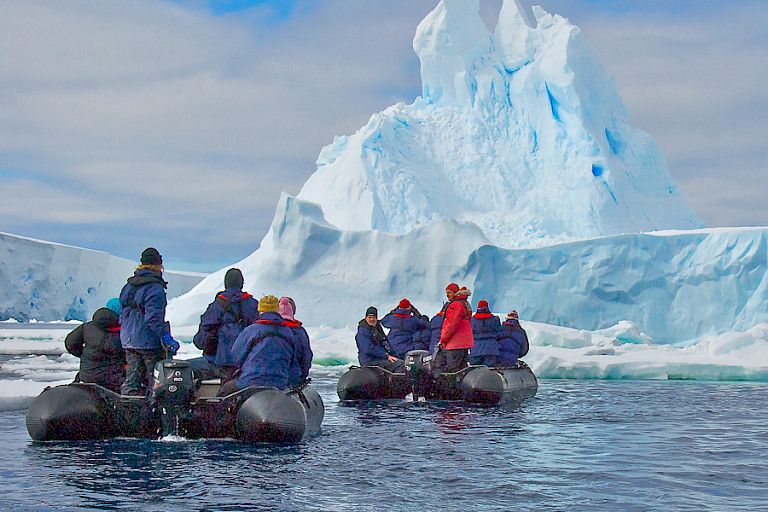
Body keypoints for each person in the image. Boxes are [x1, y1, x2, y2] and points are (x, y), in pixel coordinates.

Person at [119, 247, 179, 396]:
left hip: (128, 340)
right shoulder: (154, 288)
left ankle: (128, 410)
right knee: (155, 383)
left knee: (131, 381)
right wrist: (166, 338)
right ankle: (154, 414)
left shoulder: (128, 286)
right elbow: (153, 318)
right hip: (148, 343)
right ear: (159, 265)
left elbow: (123, 313)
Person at [191, 268, 259, 382]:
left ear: (226, 283)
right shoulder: (252, 304)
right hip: (247, 361)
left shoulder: (217, 305)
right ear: (241, 283)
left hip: (221, 360)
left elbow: (201, 337)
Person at [219, 295, 296, 396]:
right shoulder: (288, 332)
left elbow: (235, 357)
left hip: (251, 381)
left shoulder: (251, 330)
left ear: (260, 311)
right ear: (277, 311)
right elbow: (293, 362)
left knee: (226, 389)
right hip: (279, 383)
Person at [64, 298, 125, 393]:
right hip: (112, 380)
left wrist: (85, 355)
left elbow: (70, 344)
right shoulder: (123, 331)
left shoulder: (87, 327)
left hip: (87, 376)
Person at [435, 285, 474, 373]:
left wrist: (443, 340)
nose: (447, 295)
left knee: (451, 370)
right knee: (461, 370)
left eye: (449, 293)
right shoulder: (464, 303)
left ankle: (450, 386)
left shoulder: (455, 305)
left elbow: (452, 324)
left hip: (454, 343)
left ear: (455, 293)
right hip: (463, 343)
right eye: (447, 293)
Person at [355, 306, 404, 372]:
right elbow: (367, 349)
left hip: (380, 358)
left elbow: (386, 343)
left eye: (374, 317)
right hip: (369, 360)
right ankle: (397, 382)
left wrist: (396, 357)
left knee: (402, 363)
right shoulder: (363, 331)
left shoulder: (377, 328)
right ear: (366, 318)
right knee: (399, 365)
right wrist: (385, 356)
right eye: (370, 317)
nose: (372, 319)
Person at [279, 296, 313, 388]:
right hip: (292, 379)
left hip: (269, 380)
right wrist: (302, 379)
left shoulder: (269, 329)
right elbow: (306, 357)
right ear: (293, 312)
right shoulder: (299, 332)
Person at [469, 300, 501, 366]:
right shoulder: (494, 319)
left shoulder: (473, 320)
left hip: (476, 348)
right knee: (490, 372)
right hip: (491, 348)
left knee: (474, 371)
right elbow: (499, 331)